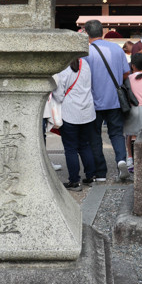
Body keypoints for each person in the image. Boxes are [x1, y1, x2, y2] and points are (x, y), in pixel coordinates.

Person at [84, 19, 131, 182]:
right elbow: (126, 73)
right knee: (117, 133)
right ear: (102, 32)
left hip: (94, 101)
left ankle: (101, 173)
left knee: (95, 137)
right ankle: (121, 160)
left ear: (86, 33)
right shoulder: (117, 49)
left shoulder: (86, 53)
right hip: (115, 100)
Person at [52, 57, 95, 191]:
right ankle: (90, 176)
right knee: (85, 145)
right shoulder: (85, 63)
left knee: (71, 149)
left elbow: (59, 96)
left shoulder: (63, 68)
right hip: (87, 111)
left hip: (70, 113)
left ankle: (74, 181)